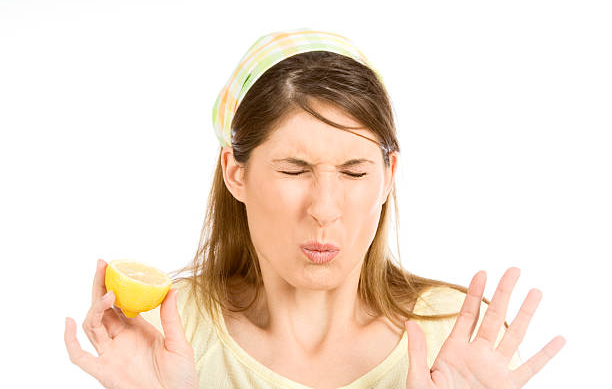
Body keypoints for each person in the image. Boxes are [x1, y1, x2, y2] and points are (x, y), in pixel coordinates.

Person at [64, 27, 566, 389]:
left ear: (388, 176)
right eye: (294, 170)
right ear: (235, 172)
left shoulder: (459, 340)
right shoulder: (169, 333)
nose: (324, 208)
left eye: (353, 172)